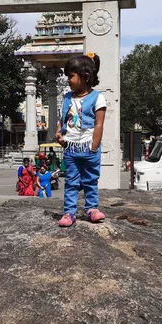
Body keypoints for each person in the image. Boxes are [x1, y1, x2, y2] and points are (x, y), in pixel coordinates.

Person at [55, 53, 106, 227]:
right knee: (71, 181)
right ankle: (69, 212)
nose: (68, 80)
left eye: (71, 76)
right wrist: (59, 134)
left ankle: (91, 208)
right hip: (71, 148)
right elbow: (64, 119)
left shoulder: (98, 98)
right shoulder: (67, 98)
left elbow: (99, 124)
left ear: (84, 77)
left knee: (91, 180)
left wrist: (94, 146)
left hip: (89, 147)